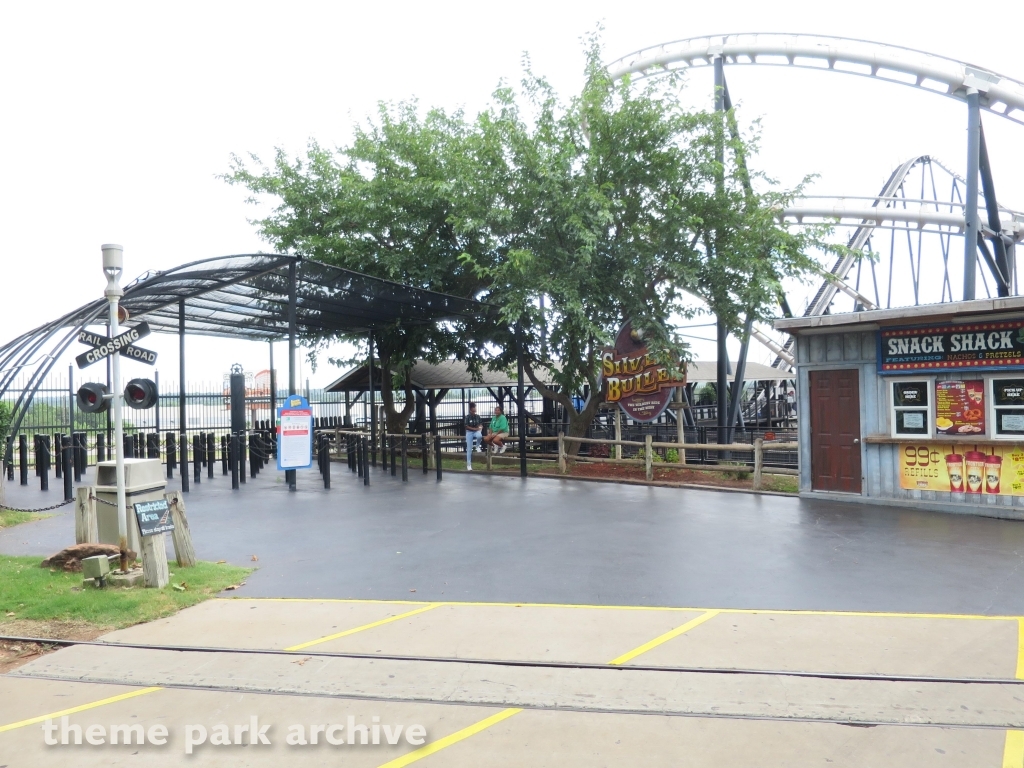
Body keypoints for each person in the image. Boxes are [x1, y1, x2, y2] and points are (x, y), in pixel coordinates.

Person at [464, 402, 483, 470]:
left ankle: (477, 446)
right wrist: (475, 428)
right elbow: (466, 426)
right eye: (473, 411)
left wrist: (480, 427)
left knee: (479, 436)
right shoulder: (467, 417)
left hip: (476, 431)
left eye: (475, 410)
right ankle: (469, 465)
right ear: (470, 410)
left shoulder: (477, 416)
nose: (474, 412)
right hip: (469, 432)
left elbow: (480, 424)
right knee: (469, 449)